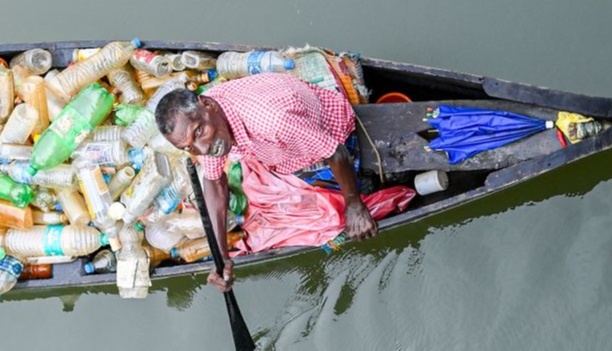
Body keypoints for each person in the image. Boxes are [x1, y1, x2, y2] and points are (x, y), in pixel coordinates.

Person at [155, 73, 377, 292]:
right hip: (279, 147)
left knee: (333, 192)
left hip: (331, 131)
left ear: (209, 105)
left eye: (199, 132)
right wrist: (221, 255)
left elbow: (336, 153)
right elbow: (214, 181)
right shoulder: (206, 120)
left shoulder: (272, 122)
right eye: (188, 147)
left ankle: (364, 183)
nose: (202, 150)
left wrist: (354, 204)